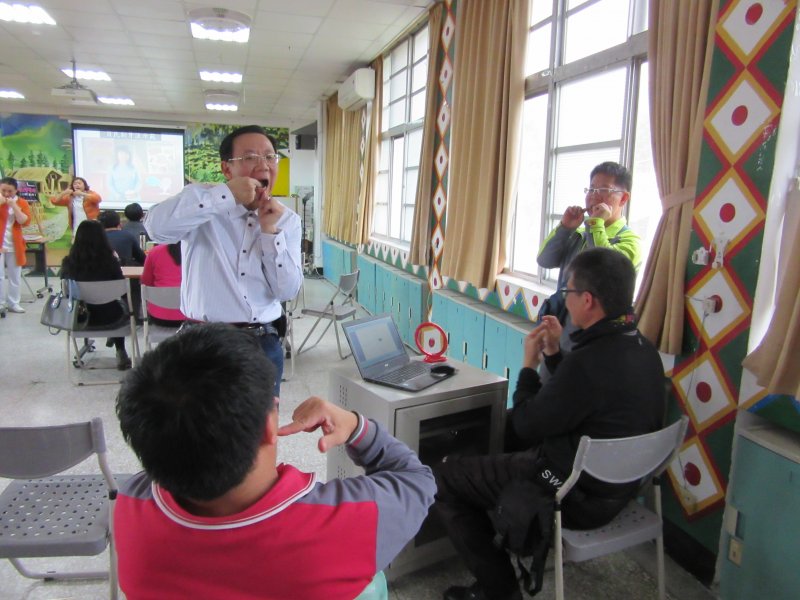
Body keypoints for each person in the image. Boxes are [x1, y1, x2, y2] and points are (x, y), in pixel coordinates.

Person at [114, 323, 436, 599]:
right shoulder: (344, 527)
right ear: (270, 428)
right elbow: (417, 479)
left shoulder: (130, 505)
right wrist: (355, 425)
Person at [435, 247, 665, 600]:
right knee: (501, 438)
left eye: (568, 291)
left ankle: (498, 589)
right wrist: (556, 355)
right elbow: (580, 399)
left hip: (570, 496)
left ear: (587, 300)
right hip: (619, 491)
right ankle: (498, 521)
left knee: (446, 477)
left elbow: (527, 424)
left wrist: (529, 365)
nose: (565, 299)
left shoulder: (588, 363)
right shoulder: (644, 350)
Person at [145, 125, 302, 395]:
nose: (263, 165)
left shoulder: (287, 220)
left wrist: (270, 233)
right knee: (199, 421)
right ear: (227, 169)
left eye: (270, 157)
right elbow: (155, 228)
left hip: (262, 342)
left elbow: (286, 291)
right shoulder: (202, 201)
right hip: (202, 341)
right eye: (250, 157)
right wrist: (226, 195)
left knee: (260, 422)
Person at [537, 161, 641, 348]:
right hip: (561, 327)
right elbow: (545, 260)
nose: (594, 196)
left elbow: (604, 272)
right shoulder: (579, 233)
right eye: (591, 189)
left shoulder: (630, 242)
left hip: (597, 339)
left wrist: (596, 224)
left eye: (604, 190)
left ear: (624, 198)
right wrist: (565, 228)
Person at [60, 220, 132, 370]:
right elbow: (121, 287)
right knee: (118, 304)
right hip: (112, 318)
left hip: (80, 318)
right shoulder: (111, 262)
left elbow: (66, 291)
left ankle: (81, 350)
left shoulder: (68, 263)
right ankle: (120, 349)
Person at [0, 177, 32, 314]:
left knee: (15, 275)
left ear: (16, 190)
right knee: (0, 276)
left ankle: (14, 303)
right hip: (1, 244)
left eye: (10, 191)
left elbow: (24, 221)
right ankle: (1, 303)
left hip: (15, 244)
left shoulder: (22, 202)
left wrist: (14, 206)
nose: (6, 194)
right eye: (3, 190)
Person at [140, 242, 185, 326]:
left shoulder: (155, 251)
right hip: (191, 316)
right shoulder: (198, 253)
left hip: (159, 316)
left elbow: (145, 282)